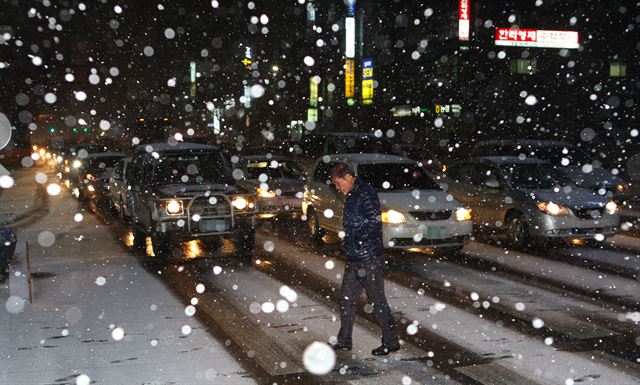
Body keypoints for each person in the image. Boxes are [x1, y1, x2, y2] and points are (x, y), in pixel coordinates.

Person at [328, 162, 400, 356]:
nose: (337, 187)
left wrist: (358, 242)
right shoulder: (352, 194)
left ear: (348, 178)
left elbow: (372, 222)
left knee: (377, 301)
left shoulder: (365, 193)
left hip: (369, 258)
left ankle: (391, 341)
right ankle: (344, 340)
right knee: (346, 299)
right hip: (355, 258)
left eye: (337, 183)